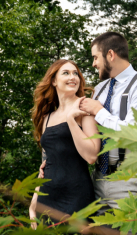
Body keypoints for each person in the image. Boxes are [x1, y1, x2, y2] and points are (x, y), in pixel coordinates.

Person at [80, 32, 137, 233]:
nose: (93, 64)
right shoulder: (99, 89)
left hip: (133, 181)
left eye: (95, 57)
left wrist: (99, 111)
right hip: (99, 179)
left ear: (110, 55)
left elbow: (132, 133)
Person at [28, 59, 100, 228]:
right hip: (47, 198)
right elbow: (46, 164)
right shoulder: (47, 118)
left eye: (76, 73)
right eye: (66, 73)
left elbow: (91, 156)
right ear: (54, 81)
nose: (72, 77)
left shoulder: (85, 109)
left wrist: (71, 120)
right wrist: (33, 204)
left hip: (76, 196)